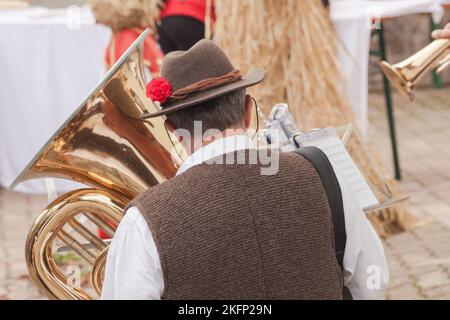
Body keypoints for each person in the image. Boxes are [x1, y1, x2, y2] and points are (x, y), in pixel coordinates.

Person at [101, 40, 389, 300]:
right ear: (249, 110)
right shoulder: (324, 174)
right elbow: (372, 281)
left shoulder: (144, 220)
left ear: (172, 130)